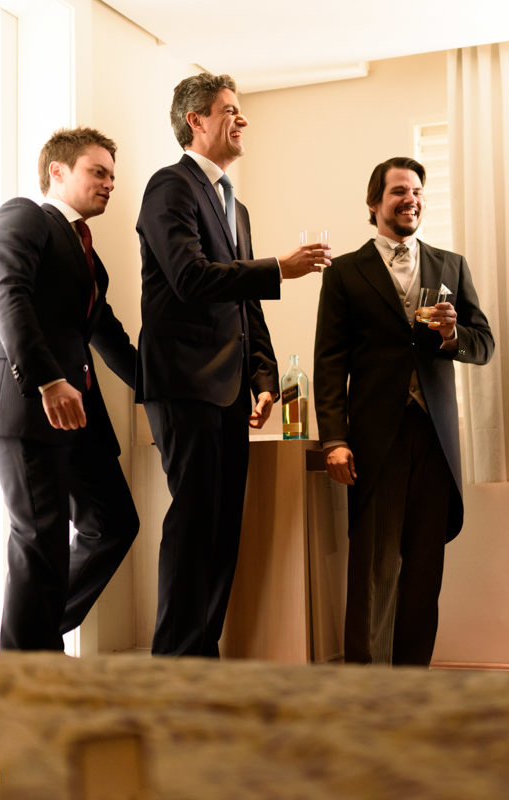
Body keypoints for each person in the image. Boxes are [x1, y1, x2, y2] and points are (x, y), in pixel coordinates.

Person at [136, 72, 327, 657]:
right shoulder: (169, 186)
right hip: (184, 382)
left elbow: (245, 303)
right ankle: (173, 665)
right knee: (195, 522)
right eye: (229, 110)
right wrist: (279, 268)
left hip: (228, 387)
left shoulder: (235, 207)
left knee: (222, 530)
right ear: (195, 120)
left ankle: (202, 657)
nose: (242, 119)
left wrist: (263, 377)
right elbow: (190, 278)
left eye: (241, 109)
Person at [314, 157, 494, 666]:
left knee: (423, 567)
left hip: (436, 438)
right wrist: (335, 439)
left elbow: (483, 344)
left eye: (416, 191)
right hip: (375, 438)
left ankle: (412, 677)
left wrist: (452, 335)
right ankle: (366, 681)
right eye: (398, 191)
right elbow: (329, 362)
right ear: (374, 202)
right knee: (373, 565)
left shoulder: (451, 265)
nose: (410, 199)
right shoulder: (345, 272)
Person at [0, 127, 139, 651]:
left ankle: (35, 637)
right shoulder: (23, 216)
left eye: (112, 175)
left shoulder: (90, 258)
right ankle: (26, 666)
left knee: (114, 522)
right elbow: (8, 294)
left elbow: (109, 337)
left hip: (78, 413)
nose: (109, 183)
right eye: (98, 172)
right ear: (58, 171)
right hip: (26, 402)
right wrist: (47, 379)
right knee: (39, 536)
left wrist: (163, 390)